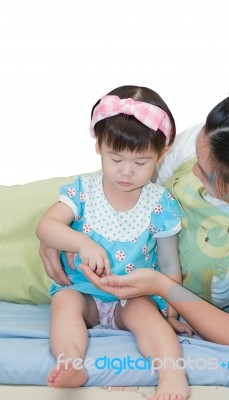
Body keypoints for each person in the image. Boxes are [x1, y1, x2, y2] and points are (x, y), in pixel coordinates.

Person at [39, 86, 229, 355]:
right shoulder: (223, 135)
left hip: (142, 293)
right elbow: (124, 171)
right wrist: (61, 231)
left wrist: (164, 289)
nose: (193, 169)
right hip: (81, 257)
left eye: (206, 177)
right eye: (197, 151)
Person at [36, 85, 192, 400]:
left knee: (148, 317)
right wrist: (80, 242)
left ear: (160, 156)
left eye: (141, 162)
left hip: (133, 297)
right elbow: (47, 227)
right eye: (115, 158)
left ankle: (172, 374)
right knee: (64, 303)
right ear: (99, 147)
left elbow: (169, 265)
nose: (125, 172)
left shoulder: (160, 202)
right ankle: (70, 361)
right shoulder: (82, 190)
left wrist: (173, 312)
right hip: (85, 295)